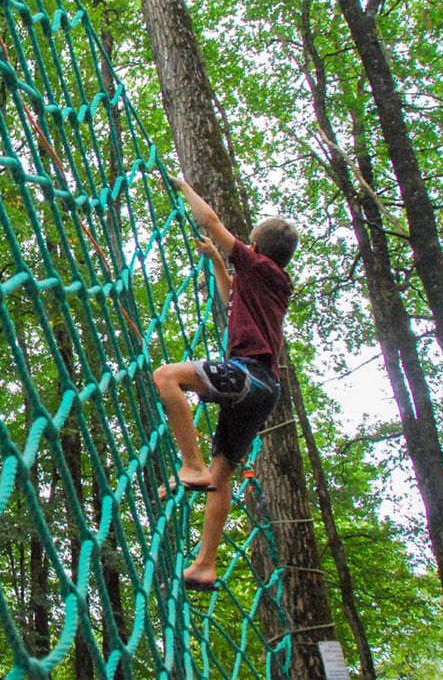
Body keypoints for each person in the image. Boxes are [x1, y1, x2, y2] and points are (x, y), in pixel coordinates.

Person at [153, 174, 298, 591]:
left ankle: (190, 465)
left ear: (254, 247)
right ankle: (204, 564)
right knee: (224, 474)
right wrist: (217, 260)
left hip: (248, 375)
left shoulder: (257, 264)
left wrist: (183, 187)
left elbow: (210, 220)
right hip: (264, 390)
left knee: (167, 376)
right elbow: (231, 295)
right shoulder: (268, 282)